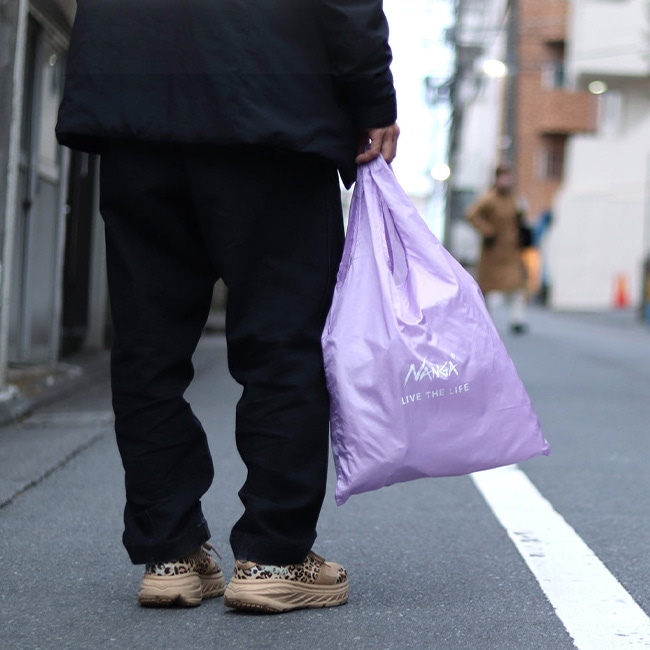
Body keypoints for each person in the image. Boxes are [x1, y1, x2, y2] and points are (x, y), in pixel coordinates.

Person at [56, 1, 399, 613]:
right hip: (271, 99)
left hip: (133, 99)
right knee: (282, 341)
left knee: (147, 343)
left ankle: (170, 553)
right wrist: (372, 100)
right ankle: (273, 556)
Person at [466, 165, 528, 334]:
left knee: (517, 285)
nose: (505, 181)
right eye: (502, 177)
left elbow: (519, 220)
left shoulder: (513, 199)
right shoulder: (489, 199)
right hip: (492, 252)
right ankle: (487, 321)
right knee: (489, 288)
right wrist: (487, 231)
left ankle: (517, 319)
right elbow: (471, 214)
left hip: (510, 251)